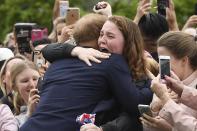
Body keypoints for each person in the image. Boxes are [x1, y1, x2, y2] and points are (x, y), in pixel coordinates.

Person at [20, 14, 152, 131]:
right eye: (101, 34)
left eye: (110, 36)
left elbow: (47, 50)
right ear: (95, 37)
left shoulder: (56, 63)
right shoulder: (111, 61)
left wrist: (73, 50)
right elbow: (137, 106)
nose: (103, 40)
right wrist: (155, 84)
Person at [141, 31, 197, 131]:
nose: (160, 65)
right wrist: (154, 108)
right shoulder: (163, 85)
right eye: (159, 60)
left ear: (184, 60)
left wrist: (170, 129)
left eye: (164, 60)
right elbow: (147, 129)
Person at [10, 60, 40, 127]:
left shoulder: (53, 102)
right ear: (15, 87)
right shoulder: (14, 120)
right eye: (25, 81)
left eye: (35, 79)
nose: (32, 84)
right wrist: (30, 115)